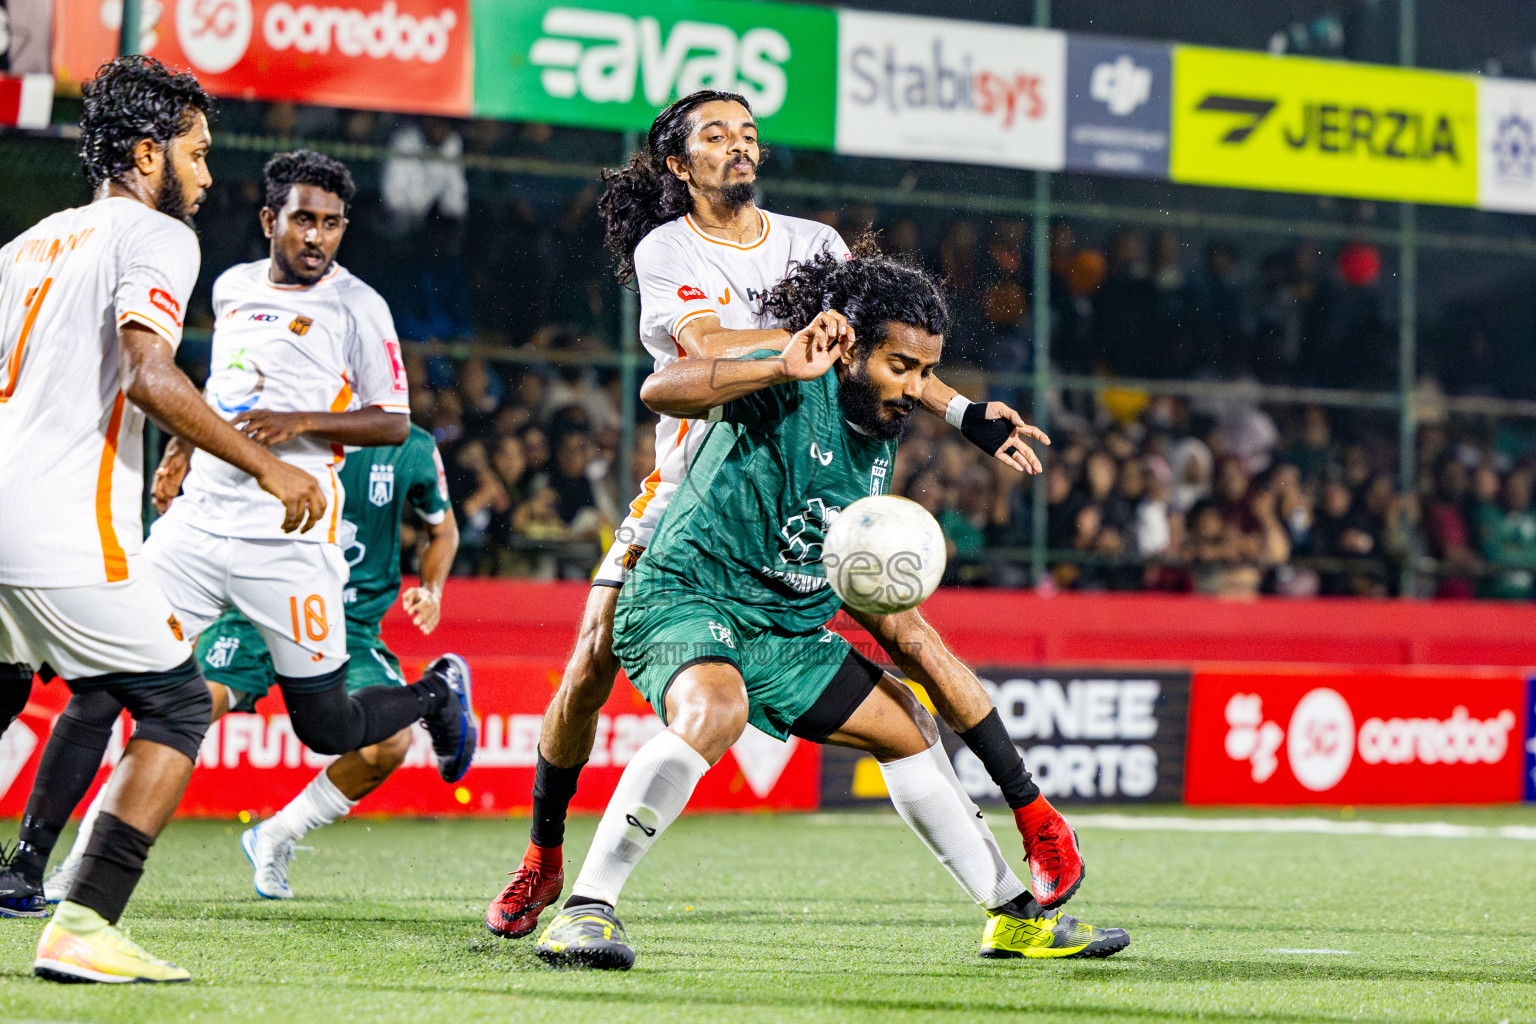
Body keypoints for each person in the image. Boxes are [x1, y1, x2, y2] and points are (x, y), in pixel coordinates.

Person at [486, 89, 1077, 942]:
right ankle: (547, 860)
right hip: (697, 475)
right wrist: (788, 355)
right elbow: (697, 353)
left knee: (907, 656)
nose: (740, 145)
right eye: (716, 135)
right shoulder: (669, 247)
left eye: (749, 133)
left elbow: (889, 348)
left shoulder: (816, 244)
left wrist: (961, 413)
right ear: (680, 164)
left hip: (809, 472)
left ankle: (1018, 897)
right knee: (590, 662)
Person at [534, 249, 1129, 968]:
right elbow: (662, 388)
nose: (914, 389)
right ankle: (585, 910)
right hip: (686, 595)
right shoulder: (791, 373)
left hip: (785, 628)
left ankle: (1013, 916)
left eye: (925, 372)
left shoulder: (878, 431)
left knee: (908, 725)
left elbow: (892, 616)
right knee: (716, 709)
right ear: (850, 350)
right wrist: (778, 366)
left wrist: (1024, 798)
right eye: (900, 367)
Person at [3, 148, 478, 966]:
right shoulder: (228, 286)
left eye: (331, 223)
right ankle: (26, 869)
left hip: (289, 537)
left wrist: (301, 423)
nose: (317, 237)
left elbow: (392, 421)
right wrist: (184, 450)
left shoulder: (358, 306)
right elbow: (222, 389)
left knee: (326, 727)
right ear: (269, 220)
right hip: (195, 527)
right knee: (101, 686)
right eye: (302, 219)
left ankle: (434, 693)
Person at [0, 57, 325, 983]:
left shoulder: (28, 245)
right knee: (177, 704)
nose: (209, 174)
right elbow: (148, 372)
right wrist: (267, 466)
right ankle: (84, 925)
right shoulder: (156, 234)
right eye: (198, 152)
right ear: (148, 155)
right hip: (59, 524)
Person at [43, 423, 458, 902]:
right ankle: (82, 862)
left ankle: (278, 833)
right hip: (255, 606)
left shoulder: (410, 445)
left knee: (388, 743)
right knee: (182, 713)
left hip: (348, 620)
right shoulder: (283, 421)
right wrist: (181, 448)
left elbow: (443, 530)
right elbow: (209, 412)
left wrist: (431, 589)